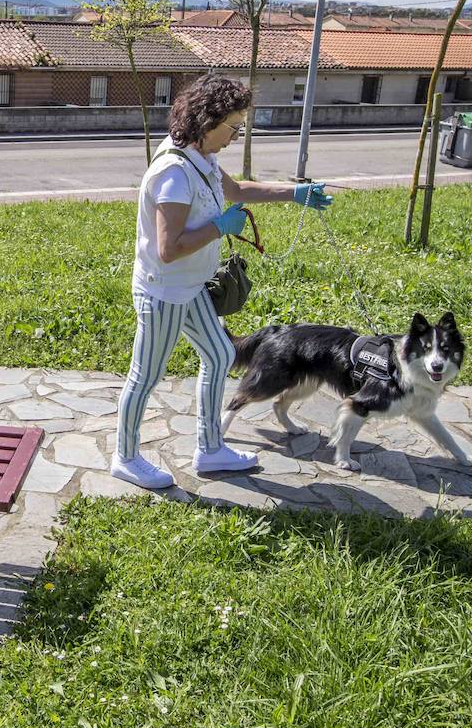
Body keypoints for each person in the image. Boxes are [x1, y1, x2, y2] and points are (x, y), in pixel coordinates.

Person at [111, 74, 333, 490]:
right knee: (145, 376)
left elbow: (238, 190)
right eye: (233, 126)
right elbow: (169, 248)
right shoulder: (175, 173)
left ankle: (210, 449)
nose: (236, 135)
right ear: (207, 121)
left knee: (218, 355)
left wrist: (295, 194)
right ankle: (125, 457)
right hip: (164, 293)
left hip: (192, 288)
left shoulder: (203, 159)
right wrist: (219, 228)